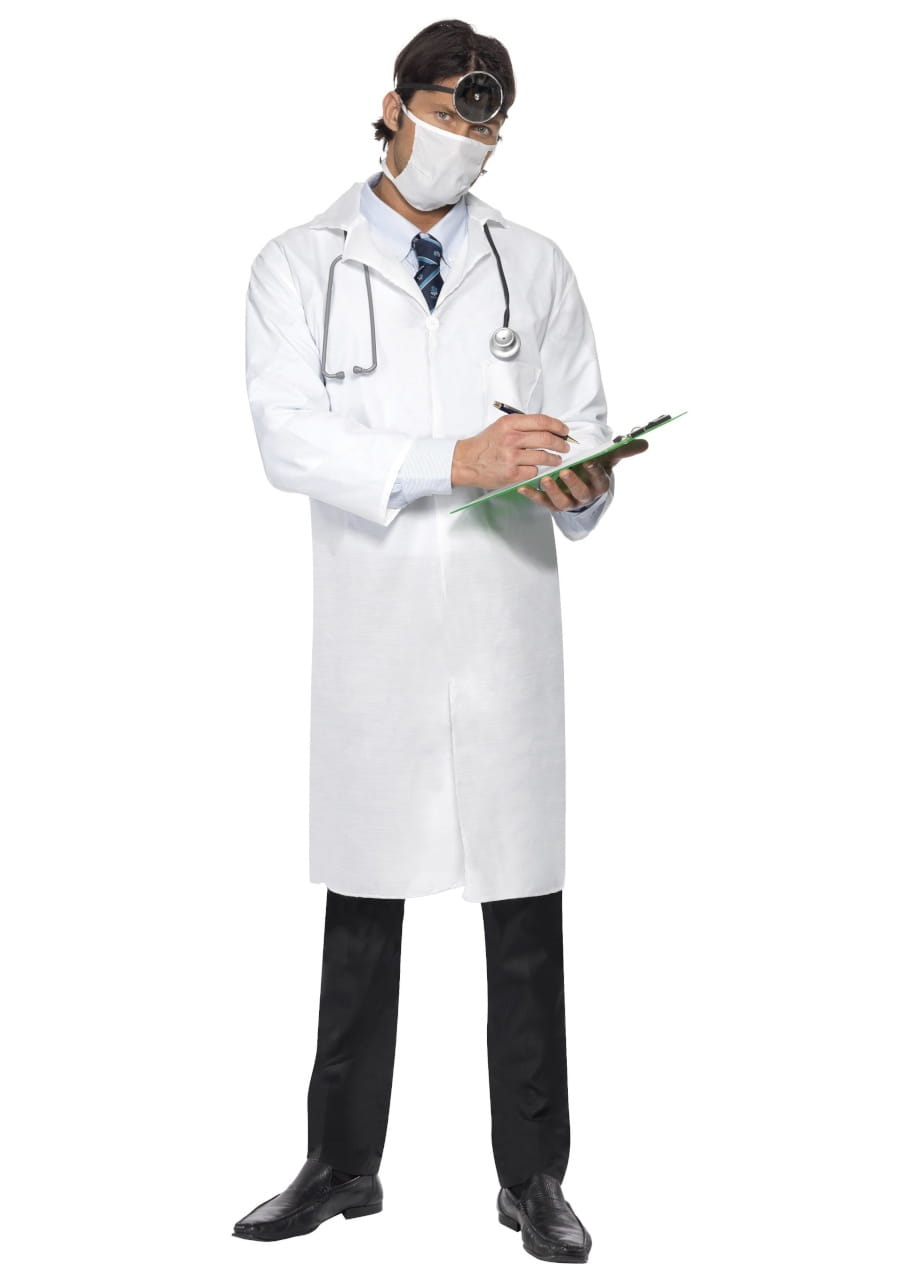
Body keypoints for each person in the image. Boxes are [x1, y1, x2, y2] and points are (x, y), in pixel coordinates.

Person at [233, 19, 647, 1264]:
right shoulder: (298, 263)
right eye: (455, 111)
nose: (470, 139)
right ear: (394, 105)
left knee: (521, 912)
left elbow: (584, 426)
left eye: (489, 121)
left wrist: (581, 484)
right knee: (363, 904)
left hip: (503, 626)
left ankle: (534, 1176)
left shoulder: (536, 266)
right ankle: (337, 1164)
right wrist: (449, 459)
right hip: (376, 628)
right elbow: (289, 439)